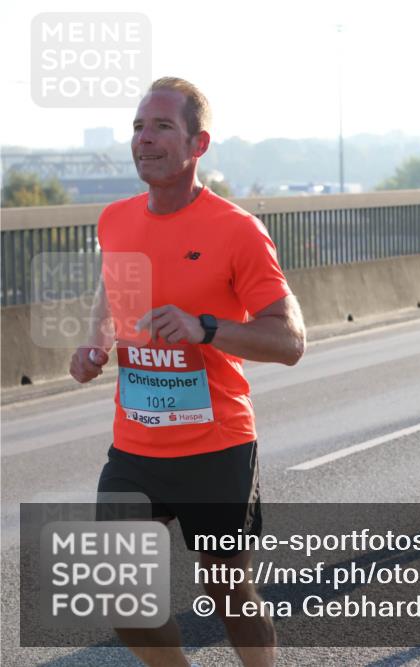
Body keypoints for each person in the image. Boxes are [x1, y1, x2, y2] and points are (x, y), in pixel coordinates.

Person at [69, 77, 306, 667]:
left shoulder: (236, 230)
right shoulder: (116, 220)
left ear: (197, 144)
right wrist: (93, 345)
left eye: (161, 127)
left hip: (215, 446)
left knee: (227, 592)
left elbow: (290, 340)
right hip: (136, 446)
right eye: (138, 127)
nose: (144, 140)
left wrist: (206, 328)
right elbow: (110, 291)